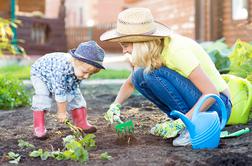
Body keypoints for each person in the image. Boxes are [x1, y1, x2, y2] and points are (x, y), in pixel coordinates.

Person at [100, 8, 232, 146]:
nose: (124, 50)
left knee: (150, 73)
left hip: (216, 109)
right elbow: (131, 83)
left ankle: (190, 126)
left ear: (141, 43)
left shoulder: (176, 51)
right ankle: (184, 121)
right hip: (204, 105)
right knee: (139, 76)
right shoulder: (155, 49)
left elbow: (211, 93)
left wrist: (181, 123)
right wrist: (115, 105)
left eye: (125, 45)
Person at [31, 41, 105, 138]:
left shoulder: (79, 71)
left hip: (59, 73)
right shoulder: (62, 70)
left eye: (90, 74)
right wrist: (61, 112)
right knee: (43, 96)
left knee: (77, 96)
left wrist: (69, 100)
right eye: (85, 72)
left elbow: (72, 89)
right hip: (41, 73)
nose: (87, 76)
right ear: (74, 62)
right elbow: (60, 92)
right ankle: (39, 127)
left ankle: (81, 122)